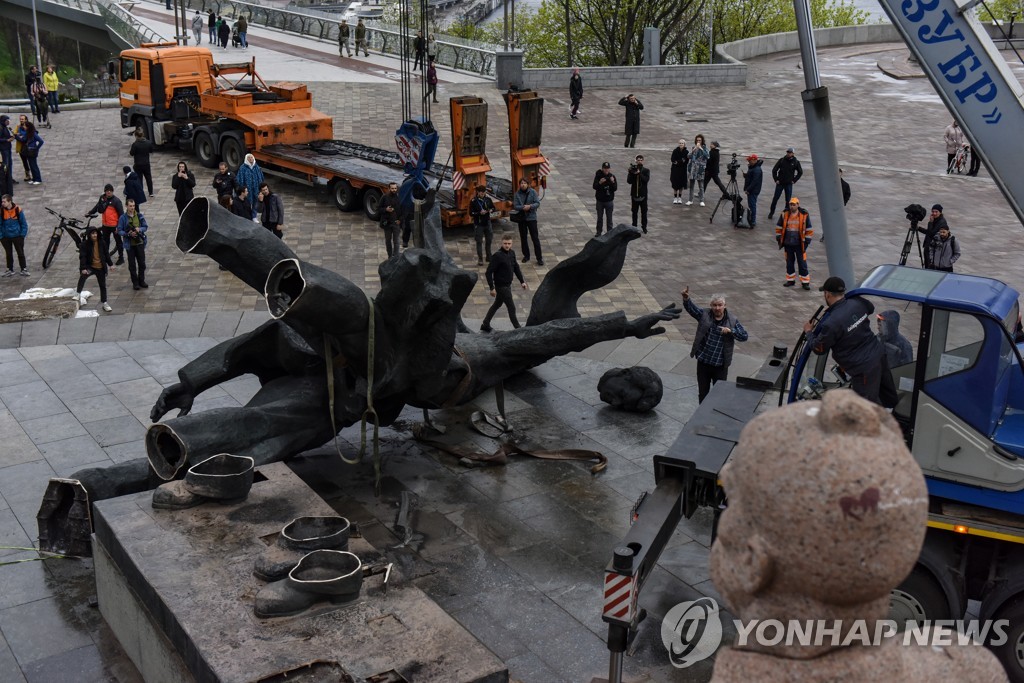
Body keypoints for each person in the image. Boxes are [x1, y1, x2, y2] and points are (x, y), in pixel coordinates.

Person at [803, 277, 885, 404]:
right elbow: (871, 308)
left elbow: (819, 348)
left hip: (862, 369)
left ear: (828, 294)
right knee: (878, 396)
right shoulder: (857, 302)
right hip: (877, 355)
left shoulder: (831, 323)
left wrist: (809, 332)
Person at [681, 286, 748, 403]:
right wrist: (686, 299)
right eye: (714, 305)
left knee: (719, 395)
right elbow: (693, 310)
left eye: (720, 305)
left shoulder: (732, 320)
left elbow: (744, 336)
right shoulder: (705, 315)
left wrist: (731, 331)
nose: (717, 308)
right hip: (704, 364)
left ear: (725, 305)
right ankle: (702, 417)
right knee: (703, 394)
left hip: (720, 366)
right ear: (711, 306)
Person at [480, 234, 527, 332]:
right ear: (502, 243)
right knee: (511, 307)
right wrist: (492, 288)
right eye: (505, 243)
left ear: (512, 244)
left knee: (497, 304)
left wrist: (522, 281)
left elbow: (516, 268)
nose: (507, 245)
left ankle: (485, 324)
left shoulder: (512, 253)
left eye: (509, 243)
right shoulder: (497, 256)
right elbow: (488, 272)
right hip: (501, 286)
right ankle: (518, 329)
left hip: (508, 285)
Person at [776, 197, 813, 289]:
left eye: (794, 204)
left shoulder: (804, 215)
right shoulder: (784, 214)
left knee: (802, 263)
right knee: (789, 263)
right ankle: (790, 280)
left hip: (799, 244)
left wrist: (807, 242)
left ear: (798, 205)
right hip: (788, 244)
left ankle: (805, 282)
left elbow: (809, 229)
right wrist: (779, 238)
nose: (792, 206)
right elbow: (779, 227)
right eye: (791, 204)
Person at [77, 227, 113, 312]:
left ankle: (105, 303)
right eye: (93, 233)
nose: (94, 235)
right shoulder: (84, 244)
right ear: (89, 235)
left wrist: (110, 264)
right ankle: (78, 293)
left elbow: (106, 254)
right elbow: (83, 257)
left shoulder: (102, 242)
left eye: (96, 233)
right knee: (83, 276)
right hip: (91, 267)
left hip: (100, 268)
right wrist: (83, 268)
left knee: (102, 285)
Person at [116, 198, 149, 290]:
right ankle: (135, 283)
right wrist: (128, 234)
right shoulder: (123, 218)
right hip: (129, 245)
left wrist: (139, 229)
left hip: (140, 243)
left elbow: (145, 226)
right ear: (126, 206)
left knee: (142, 263)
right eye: (130, 206)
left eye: (133, 206)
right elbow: (119, 230)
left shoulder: (139, 215)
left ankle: (141, 280)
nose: (132, 208)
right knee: (132, 265)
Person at [90, 183, 125, 264]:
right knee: (105, 242)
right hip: (105, 225)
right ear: (105, 191)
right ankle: (106, 257)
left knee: (118, 242)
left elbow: (121, 215)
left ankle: (121, 257)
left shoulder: (116, 201)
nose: (108, 192)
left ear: (112, 191)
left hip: (114, 226)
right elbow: (97, 206)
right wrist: (90, 212)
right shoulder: (102, 198)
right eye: (107, 190)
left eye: (110, 190)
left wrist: (119, 227)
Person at [512, 178, 542, 266]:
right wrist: (523, 207)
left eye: (525, 183)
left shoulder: (533, 192)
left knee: (535, 238)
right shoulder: (517, 194)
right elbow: (515, 206)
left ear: (528, 184)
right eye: (521, 183)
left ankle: (539, 258)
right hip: (522, 219)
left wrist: (530, 206)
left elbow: (537, 203)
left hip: (532, 218)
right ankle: (526, 256)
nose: (523, 185)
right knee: (523, 238)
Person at [768, 147, 803, 219]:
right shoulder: (782, 160)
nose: (788, 153)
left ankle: (786, 214)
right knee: (775, 198)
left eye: (790, 152)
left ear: (793, 154)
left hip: (788, 184)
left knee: (788, 201)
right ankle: (771, 212)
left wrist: (794, 180)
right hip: (780, 183)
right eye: (787, 152)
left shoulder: (796, 162)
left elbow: (800, 172)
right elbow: (774, 170)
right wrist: (776, 179)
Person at [0, 194, 29, 277]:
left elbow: (24, 224)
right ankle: (10, 269)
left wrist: (22, 235)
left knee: (20, 253)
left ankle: (23, 269)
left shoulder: (17, 210)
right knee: (8, 253)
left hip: (17, 236)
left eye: (4, 202)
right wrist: (1, 236)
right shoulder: (1, 211)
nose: (2, 203)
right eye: (2, 201)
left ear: (9, 201)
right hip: (6, 237)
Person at [469, 184, 495, 265]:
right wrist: (479, 213)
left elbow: (494, 208)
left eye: (484, 192)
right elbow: (471, 213)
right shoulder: (474, 201)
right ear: (478, 192)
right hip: (479, 224)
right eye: (481, 193)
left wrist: (491, 210)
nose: (482, 194)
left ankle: (489, 256)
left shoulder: (488, 199)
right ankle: (480, 259)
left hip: (487, 222)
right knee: (479, 241)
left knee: (489, 240)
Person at [916, 204, 947, 269]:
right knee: (927, 265)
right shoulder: (935, 220)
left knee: (930, 267)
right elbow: (929, 232)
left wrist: (930, 222)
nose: (934, 213)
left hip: (933, 249)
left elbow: (931, 233)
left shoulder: (942, 222)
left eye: (936, 212)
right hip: (928, 246)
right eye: (933, 211)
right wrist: (918, 228)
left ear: (940, 212)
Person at [627, 154, 650, 234]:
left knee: (644, 212)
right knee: (634, 212)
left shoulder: (646, 170)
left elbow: (646, 180)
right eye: (638, 160)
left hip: (643, 195)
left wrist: (639, 174)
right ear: (636, 161)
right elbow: (629, 181)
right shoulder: (632, 170)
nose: (639, 161)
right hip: (634, 195)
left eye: (641, 160)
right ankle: (634, 227)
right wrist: (631, 173)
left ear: (643, 161)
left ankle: (644, 227)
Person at [379, 182, 403, 258]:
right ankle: (390, 256)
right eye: (392, 188)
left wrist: (400, 220)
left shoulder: (400, 198)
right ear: (389, 189)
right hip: (387, 223)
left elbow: (404, 210)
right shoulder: (384, 197)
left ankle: (395, 257)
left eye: (395, 188)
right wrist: (386, 209)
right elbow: (379, 208)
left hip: (396, 223)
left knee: (397, 241)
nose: (394, 190)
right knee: (388, 241)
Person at [593, 161, 617, 236]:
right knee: (599, 218)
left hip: (609, 201)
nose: (606, 170)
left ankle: (609, 233)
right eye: (605, 168)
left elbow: (615, 188)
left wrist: (613, 182)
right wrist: (600, 182)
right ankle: (599, 232)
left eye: (607, 168)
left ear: (610, 169)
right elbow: (594, 186)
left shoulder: (612, 177)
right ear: (602, 169)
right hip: (600, 201)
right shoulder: (598, 176)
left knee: (609, 219)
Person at [129, 128, 155, 197]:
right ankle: (151, 192)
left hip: (138, 164)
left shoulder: (135, 144)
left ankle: (140, 192)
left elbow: (131, 153)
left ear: (136, 136)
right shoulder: (148, 142)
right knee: (148, 178)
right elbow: (151, 150)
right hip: (146, 163)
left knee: (139, 179)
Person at [686, 134, 709, 206]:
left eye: (700, 140)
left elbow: (707, 157)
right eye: (697, 140)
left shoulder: (705, 148)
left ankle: (701, 200)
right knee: (691, 185)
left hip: (700, 169)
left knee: (701, 186)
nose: (698, 141)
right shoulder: (694, 147)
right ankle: (690, 200)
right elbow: (688, 156)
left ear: (702, 141)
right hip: (693, 169)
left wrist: (701, 149)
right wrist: (693, 151)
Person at [743, 154, 763, 227]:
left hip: (753, 190)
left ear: (754, 160)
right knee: (751, 205)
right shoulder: (752, 167)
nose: (748, 162)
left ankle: (753, 220)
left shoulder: (757, 169)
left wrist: (748, 189)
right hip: (752, 190)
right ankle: (752, 218)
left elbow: (755, 181)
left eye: (749, 160)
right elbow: (751, 177)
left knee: (752, 205)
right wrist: (746, 175)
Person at [15, 115, 32, 183]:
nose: (21, 120)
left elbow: (25, 137)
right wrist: (17, 135)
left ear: (26, 120)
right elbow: (14, 133)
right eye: (20, 119)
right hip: (21, 147)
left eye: (23, 119)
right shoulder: (18, 126)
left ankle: (33, 173)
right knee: (24, 162)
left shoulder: (29, 126)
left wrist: (18, 136)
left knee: (30, 161)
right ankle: (27, 175)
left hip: (28, 147)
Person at [0, 116, 15, 185]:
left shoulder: (5, 127)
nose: (8, 122)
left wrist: (11, 137)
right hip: (4, 149)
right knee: (6, 164)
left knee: (10, 164)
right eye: (7, 120)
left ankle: (9, 178)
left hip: (8, 148)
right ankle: (5, 179)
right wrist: (6, 140)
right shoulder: (1, 128)